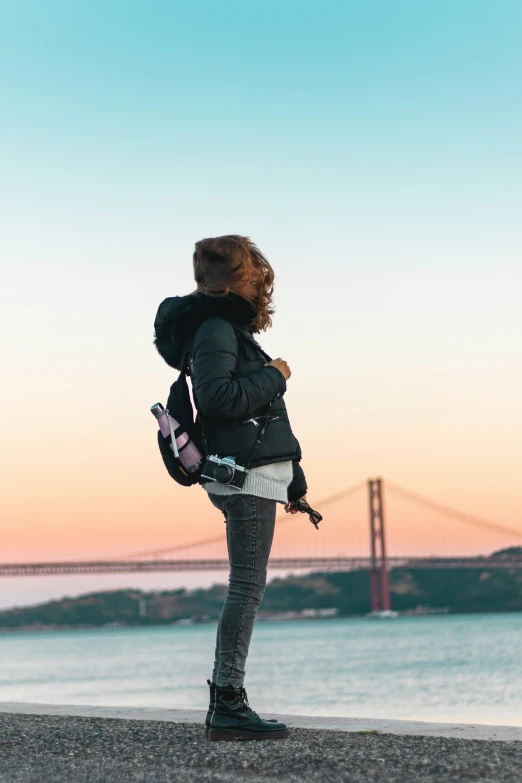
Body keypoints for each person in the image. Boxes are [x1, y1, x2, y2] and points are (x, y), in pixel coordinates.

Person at [153, 235, 308, 741]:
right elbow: (220, 399)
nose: (262, 285)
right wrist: (274, 374)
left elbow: (261, 422)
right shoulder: (218, 328)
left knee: (247, 585)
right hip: (244, 478)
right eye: (256, 277)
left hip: (252, 473)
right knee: (247, 587)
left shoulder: (219, 328)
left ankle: (229, 699)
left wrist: (295, 481)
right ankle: (228, 702)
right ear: (241, 281)